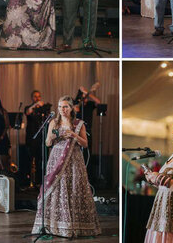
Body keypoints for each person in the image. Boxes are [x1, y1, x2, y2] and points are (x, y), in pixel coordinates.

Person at [32, 96, 100, 238]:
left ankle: (74, 226)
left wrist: (74, 135)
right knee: (56, 188)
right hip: (56, 158)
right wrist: (51, 137)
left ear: (71, 108)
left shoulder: (78, 123)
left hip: (74, 159)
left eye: (65, 107)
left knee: (72, 187)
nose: (62, 110)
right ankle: (54, 225)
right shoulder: (53, 123)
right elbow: (47, 143)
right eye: (60, 107)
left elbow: (85, 144)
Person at [24, 90, 50, 186]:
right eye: (35, 96)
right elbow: (27, 112)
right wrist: (35, 105)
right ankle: (28, 181)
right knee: (30, 158)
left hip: (41, 138)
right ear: (32, 98)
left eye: (39, 96)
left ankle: (40, 181)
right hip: (31, 137)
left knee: (41, 159)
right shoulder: (29, 107)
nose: (37, 98)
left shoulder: (43, 109)